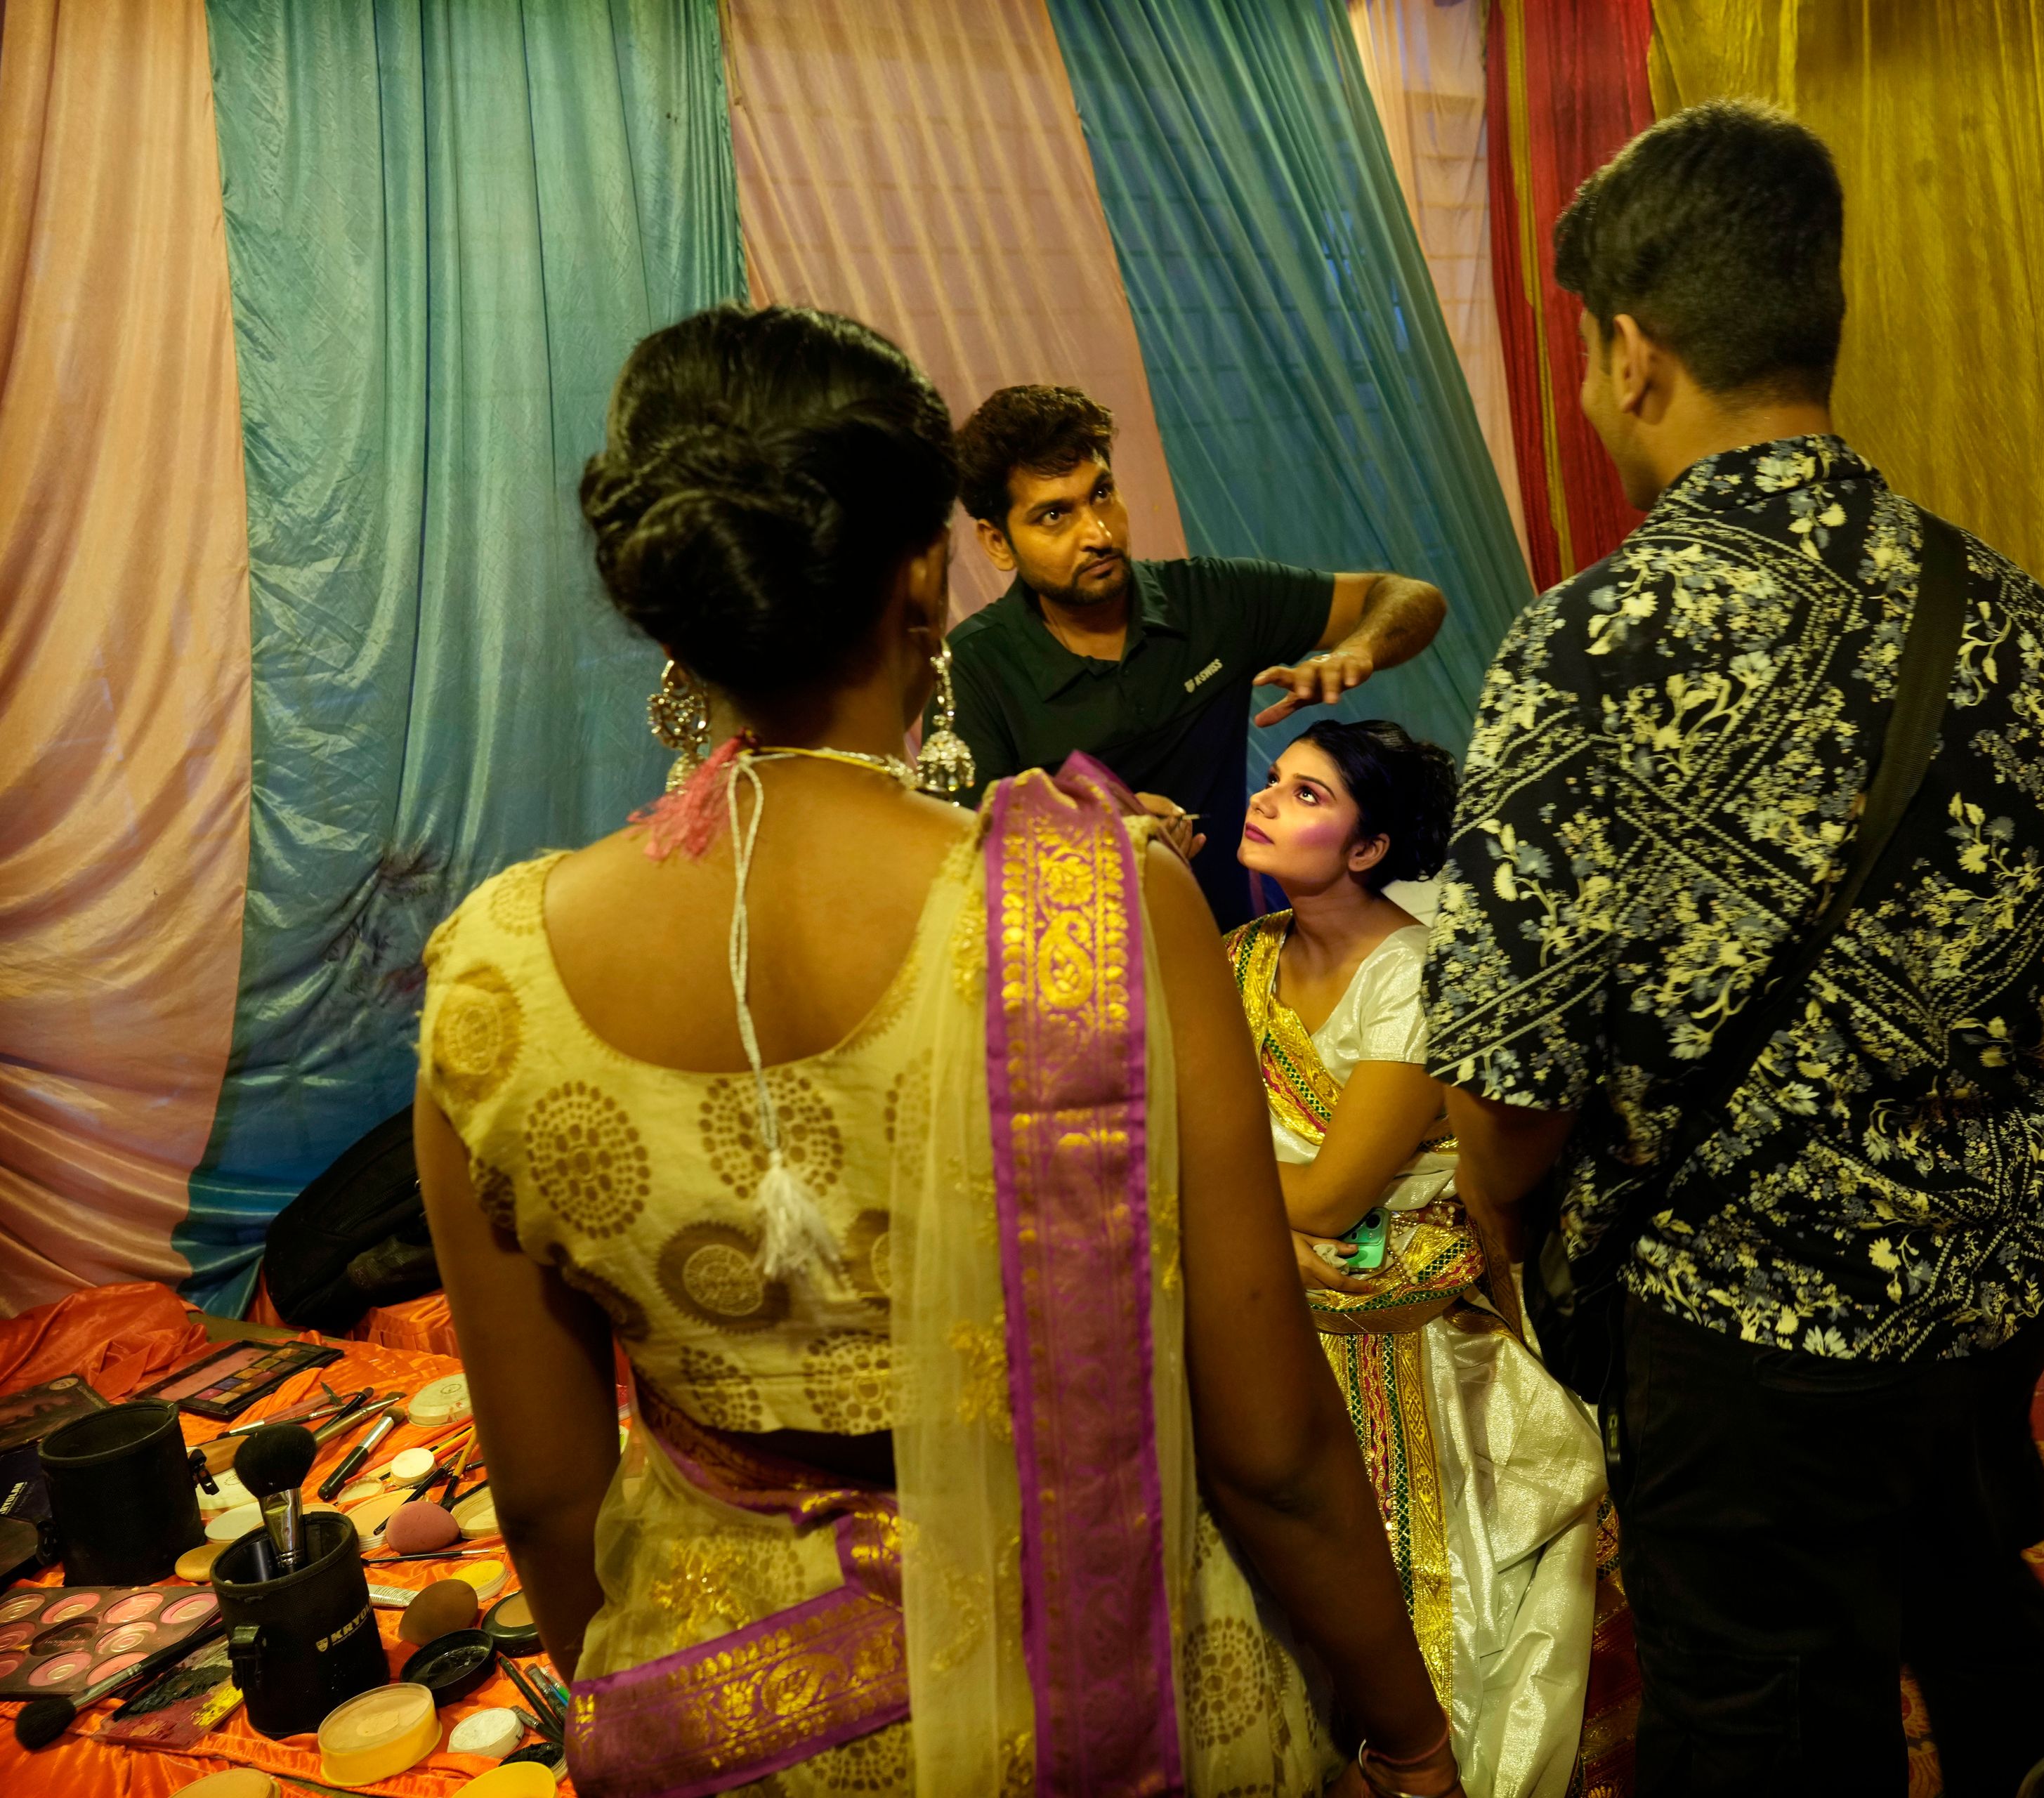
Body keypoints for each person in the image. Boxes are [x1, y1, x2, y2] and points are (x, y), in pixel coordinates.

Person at [413, 303, 1462, 1797]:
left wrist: (694, 1701)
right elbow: (1271, 1442)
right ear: (928, 570)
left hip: (721, 1712)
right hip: (1101, 1678)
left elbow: (548, 1489)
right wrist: (1408, 1728)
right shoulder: (1104, 914)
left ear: (669, 610)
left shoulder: (487, 975)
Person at [1420, 101, 2044, 1796]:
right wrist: (1946, 1085)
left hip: (1730, 1325)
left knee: (1759, 1706)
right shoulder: (2010, 613)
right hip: (1986, 1278)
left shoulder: (1585, 647)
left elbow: (1503, 1092)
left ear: (1630, 351)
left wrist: (1522, 1229)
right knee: (1979, 1614)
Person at [1224, 718, 1633, 1798]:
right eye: (1275, 782)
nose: (1267, 801)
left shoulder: (1412, 974)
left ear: (1368, 848)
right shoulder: (1242, 958)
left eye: (1309, 795)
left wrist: (1205, 1191)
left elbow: (1328, 1194)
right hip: (1276, 1283)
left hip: (1392, 1307)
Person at [935, 383, 1450, 927]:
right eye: (1055, 516)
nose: (1098, 533)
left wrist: (1356, 651)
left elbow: (1411, 598)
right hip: (1079, 982)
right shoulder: (973, 668)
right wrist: (1098, 838)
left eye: (1102, 494)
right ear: (996, 542)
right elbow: (961, 862)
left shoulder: (1211, 601)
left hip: (1228, 947)